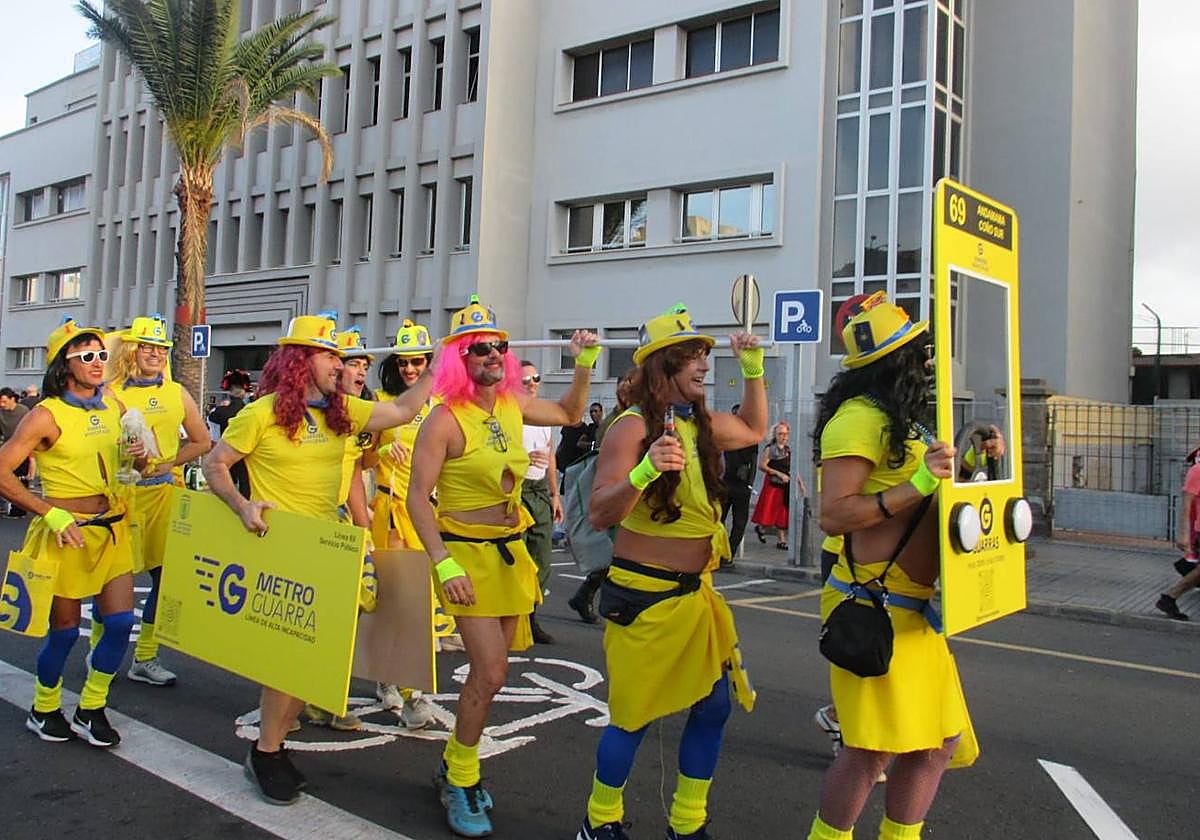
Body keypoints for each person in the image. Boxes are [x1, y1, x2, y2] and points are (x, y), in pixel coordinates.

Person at [202, 313, 433, 806]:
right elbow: (215, 464)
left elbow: (404, 411)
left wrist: (443, 363)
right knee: (291, 662)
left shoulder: (341, 410)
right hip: (283, 549)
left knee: (315, 667)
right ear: (299, 361)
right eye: (330, 355)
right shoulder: (260, 413)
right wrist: (243, 506)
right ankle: (267, 752)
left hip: (330, 546)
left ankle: (275, 745)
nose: (340, 363)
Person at [407, 295, 599, 837]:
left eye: (499, 346)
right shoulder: (443, 420)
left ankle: (453, 762)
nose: (492, 354)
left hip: (510, 552)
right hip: (464, 554)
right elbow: (419, 497)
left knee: (495, 676)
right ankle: (461, 777)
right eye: (478, 348)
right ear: (459, 359)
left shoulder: (512, 405)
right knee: (489, 671)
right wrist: (443, 564)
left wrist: (583, 362)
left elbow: (568, 414)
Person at [576, 304, 766, 840]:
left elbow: (753, 427)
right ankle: (598, 821)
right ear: (662, 367)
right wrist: (643, 469)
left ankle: (686, 824)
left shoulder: (696, 424)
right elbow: (600, 512)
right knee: (633, 718)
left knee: (713, 707)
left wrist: (752, 368)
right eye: (691, 357)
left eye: (705, 356)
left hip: (693, 599)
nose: (704, 366)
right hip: (645, 599)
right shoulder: (631, 427)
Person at [805, 292, 975, 840]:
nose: (927, 364)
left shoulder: (902, 423)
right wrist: (919, 483)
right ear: (893, 363)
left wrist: (972, 461)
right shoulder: (857, 421)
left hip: (915, 614)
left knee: (936, 742)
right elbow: (833, 514)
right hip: (875, 604)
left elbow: (929, 487)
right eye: (917, 353)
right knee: (869, 750)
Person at [0, 318, 148, 747]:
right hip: (67, 534)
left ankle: (91, 706)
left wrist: (138, 458)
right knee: (64, 631)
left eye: (101, 354)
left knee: (119, 623)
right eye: (87, 356)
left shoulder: (115, 406)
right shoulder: (46, 415)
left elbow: (135, 467)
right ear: (64, 365)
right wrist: (50, 513)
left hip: (112, 529)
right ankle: (44, 707)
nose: (98, 362)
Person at [105, 315, 212, 687]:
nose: (154, 353)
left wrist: (168, 462)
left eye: (161, 348)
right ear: (132, 350)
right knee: (113, 579)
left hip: (165, 493)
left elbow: (202, 441)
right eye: (147, 346)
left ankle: (146, 656)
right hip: (123, 496)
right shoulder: (110, 392)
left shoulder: (177, 391)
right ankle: (101, 651)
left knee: (164, 578)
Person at [369, 318, 440, 728]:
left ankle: (393, 679)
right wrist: (381, 454)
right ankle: (408, 692)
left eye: (417, 362)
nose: (409, 370)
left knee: (420, 604)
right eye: (403, 363)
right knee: (399, 599)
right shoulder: (380, 401)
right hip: (390, 512)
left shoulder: (440, 405)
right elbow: (359, 456)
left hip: (428, 516)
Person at [567, 372, 635, 623]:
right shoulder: (618, 421)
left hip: (626, 492)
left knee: (617, 556)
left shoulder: (630, 417)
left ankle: (584, 596)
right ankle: (605, 604)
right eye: (626, 385)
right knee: (616, 555)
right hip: (616, 492)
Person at [519, 359, 563, 644]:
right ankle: (513, 620)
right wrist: (522, 460)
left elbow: (549, 455)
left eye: (535, 378)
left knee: (541, 560)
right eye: (525, 380)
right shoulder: (510, 414)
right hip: (515, 489)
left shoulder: (543, 415)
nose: (532, 383)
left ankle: (531, 617)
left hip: (538, 491)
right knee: (515, 560)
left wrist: (555, 493)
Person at [1155, 444, 1200, 620]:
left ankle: (1169, 598)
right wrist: (1184, 535)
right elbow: (1186, 506)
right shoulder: (1197, 472)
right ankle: (1169, 597)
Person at [720, 403, 758, 566]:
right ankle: (724, 553)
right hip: (731, 482)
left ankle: (726, 553)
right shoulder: (747, 437)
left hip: (737, 484)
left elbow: (754, 463)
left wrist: (749, 483)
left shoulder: (736, 436)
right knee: (727, 520)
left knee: (736, 522)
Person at [751, 421, 798, 550]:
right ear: (775, 435)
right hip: (773, 484)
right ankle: (761, 528)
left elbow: (792, 468)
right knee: (769, 511)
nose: (783, 436)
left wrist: (799, 483)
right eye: (780, 434)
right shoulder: (770, 449)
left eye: (785, 434)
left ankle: (781, 540)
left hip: (785, 486)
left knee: (783, 512)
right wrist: (778, 474)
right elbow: (762, 466)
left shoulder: (788, 450)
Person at [208, 369, 252, 497]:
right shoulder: (252, 411)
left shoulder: (217, 413)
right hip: (247, 457)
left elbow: (213, 439)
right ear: (245, 392)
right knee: (245, 489)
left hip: (224, 455)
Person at [0, 387, 32, 517]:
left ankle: (19, 509)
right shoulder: (0, 413)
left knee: (20, 478)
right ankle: (3, 505)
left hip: (23, 447)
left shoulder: (24, 412)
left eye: (4, 401)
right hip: (7, 447)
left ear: (12, 399)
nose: (2, 405)